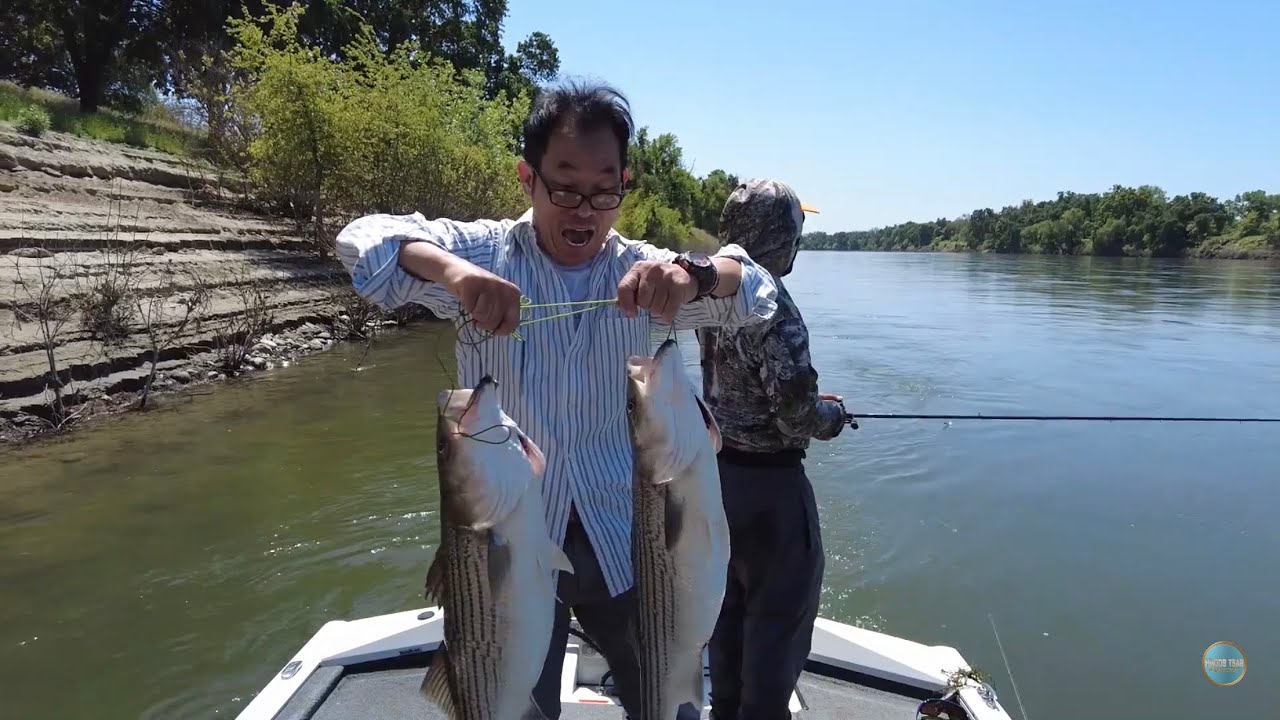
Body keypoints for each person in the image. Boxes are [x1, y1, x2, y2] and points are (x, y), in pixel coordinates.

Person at [333, 79, 779, 720]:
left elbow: (757, 290)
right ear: (528, 178)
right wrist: (455, 277)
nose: (584, 209)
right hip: (511, 539)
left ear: (625, 183)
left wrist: (694, 273)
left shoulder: (646, 272)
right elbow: (362, 242)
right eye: (564, 186)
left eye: (604, 190)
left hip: (621, 535)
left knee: (666, 691)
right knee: (511, 697)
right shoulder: (484, 253)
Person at [694, 179, 848, 720]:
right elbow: (795, 416)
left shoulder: (713, 296)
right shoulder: (774, 306)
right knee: (778, 623)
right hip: (772, 492)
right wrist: (833, 417)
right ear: (782, 235)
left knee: (726, 613)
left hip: (716, 484)